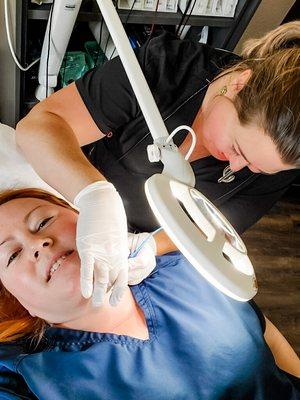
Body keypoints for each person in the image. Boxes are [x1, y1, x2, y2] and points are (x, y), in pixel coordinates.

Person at [15, 21, 300, 305]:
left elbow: (218, 229)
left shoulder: (282, 159)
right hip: (70, 200)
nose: (237, 168)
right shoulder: (167, 68)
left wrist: (151, 246)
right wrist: (95, 197)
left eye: (257, 169)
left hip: (136, 250)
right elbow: (38, 127)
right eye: (238, 149)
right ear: (238, 85)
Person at [0, 188, 299, 399]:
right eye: (12, 256)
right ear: (20, 302)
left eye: (43, 222)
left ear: (92, 219)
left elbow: (263, 334)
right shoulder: (29, 378)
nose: (39, 243)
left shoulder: (188, 268)